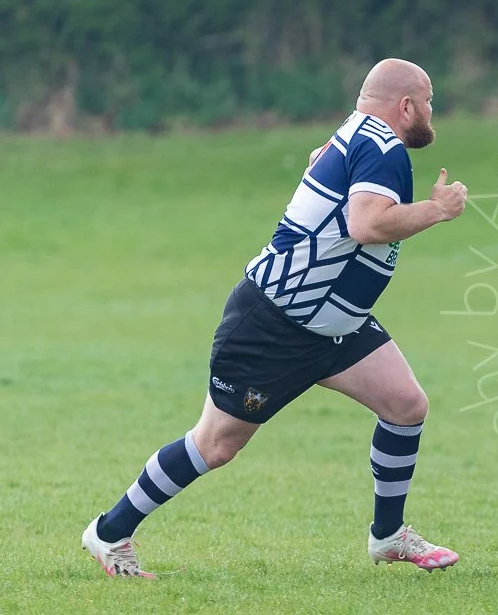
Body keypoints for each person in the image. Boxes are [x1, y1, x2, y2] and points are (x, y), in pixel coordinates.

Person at [81, 59, 466, 578]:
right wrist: (437, 209)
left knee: (406, 405)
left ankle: (388, 535)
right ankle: (109, 532)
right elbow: (367, 224)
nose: (431, 113)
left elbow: (326, 176)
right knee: (215, 444)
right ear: (406, 106)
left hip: (334, 325)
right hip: (276, 324)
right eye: (429, 102)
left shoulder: (354, 134)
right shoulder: (381, 146)